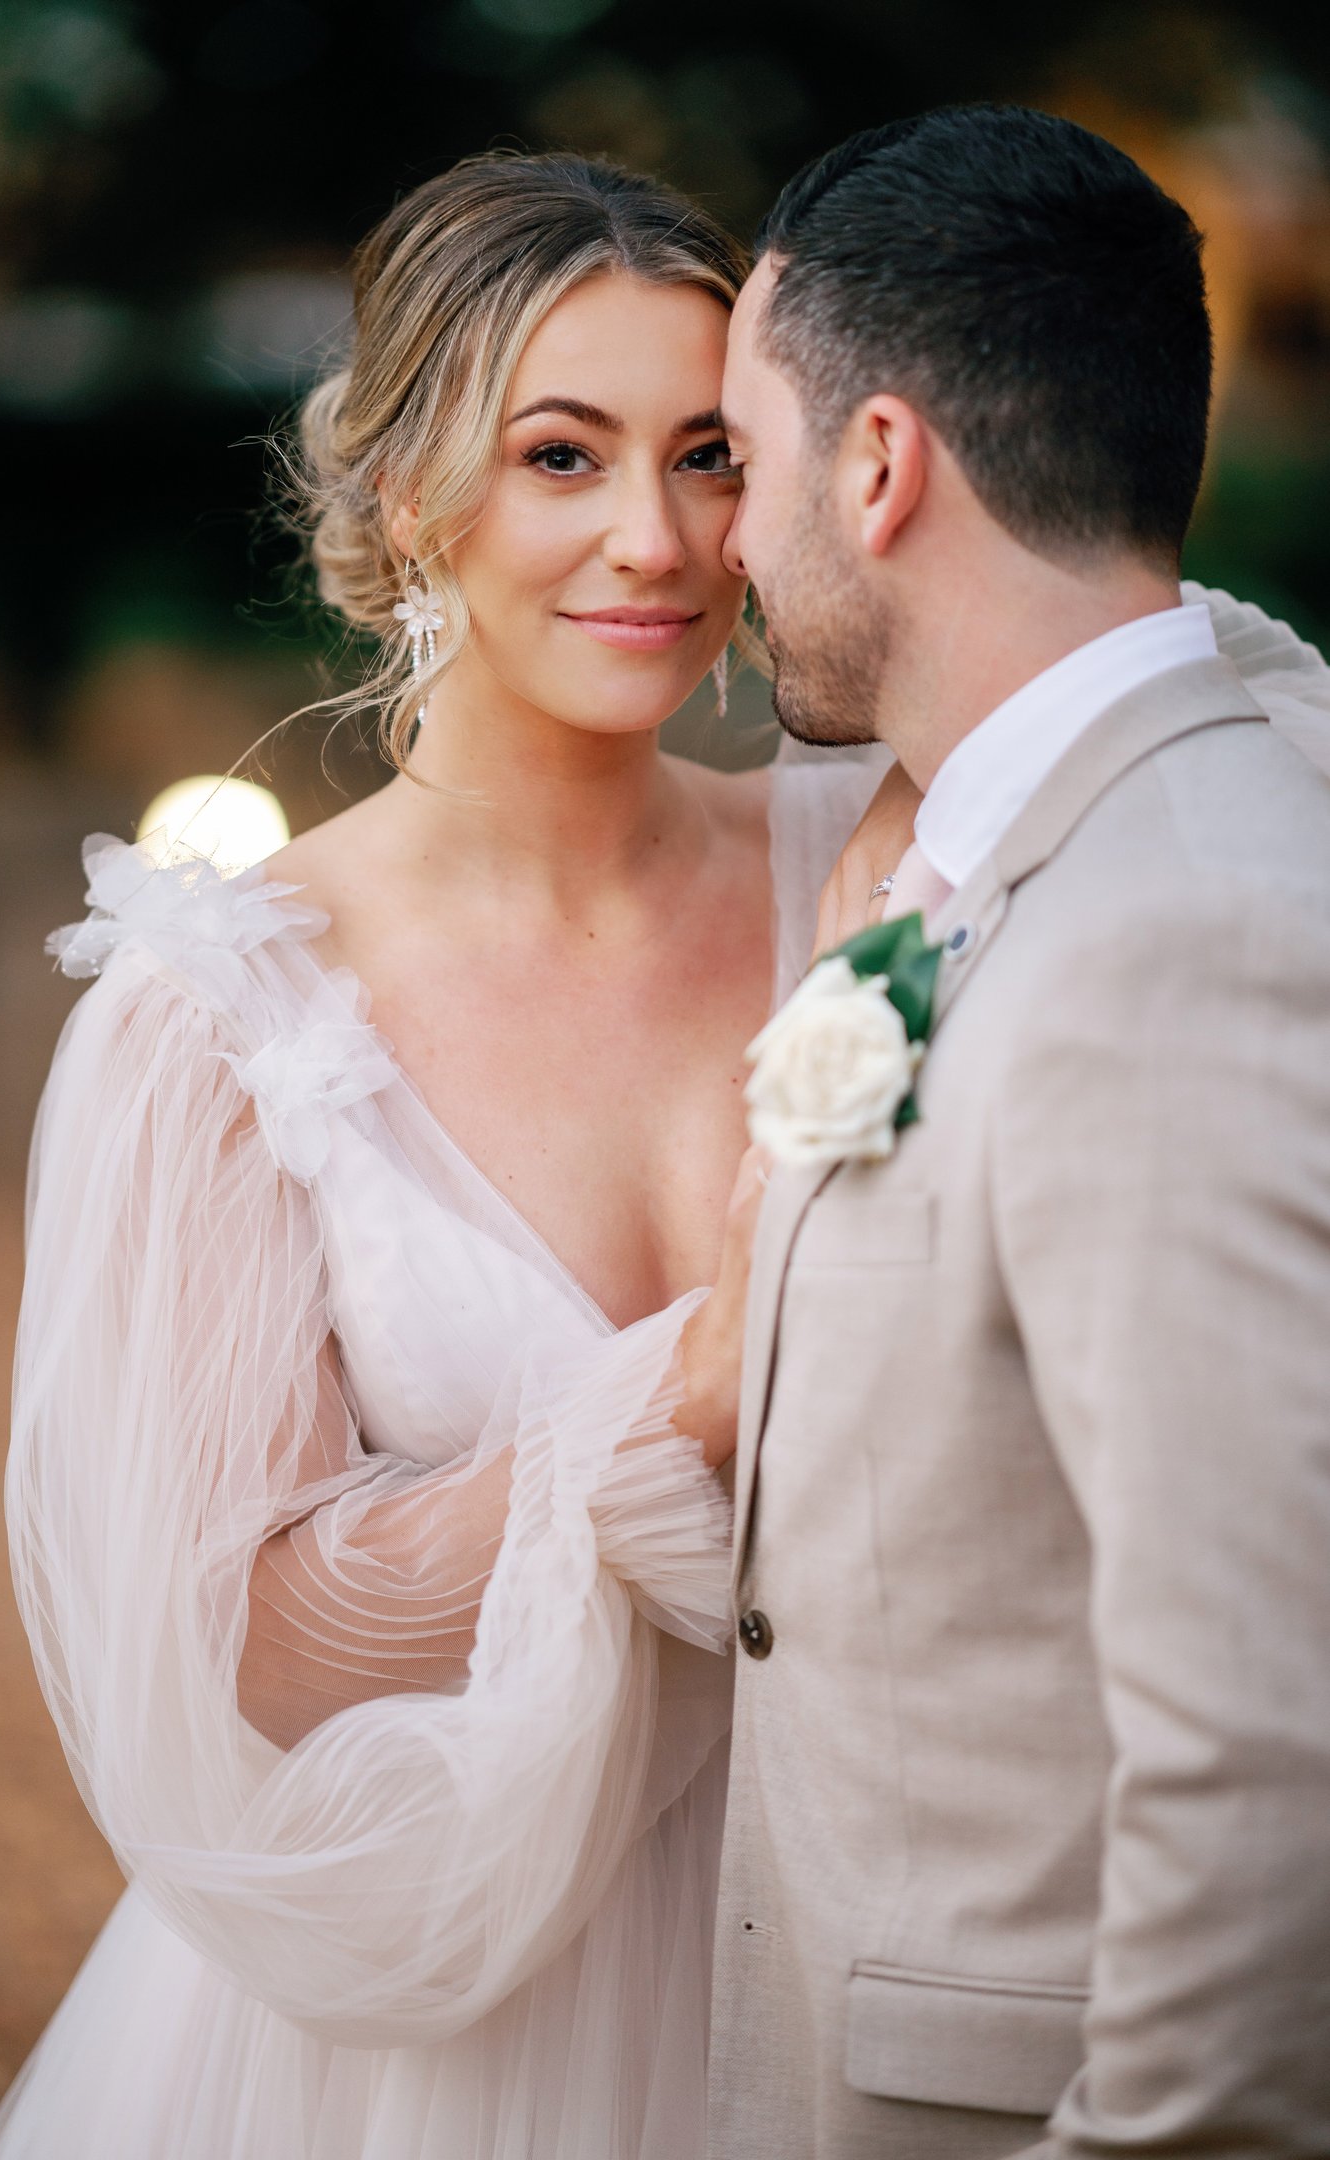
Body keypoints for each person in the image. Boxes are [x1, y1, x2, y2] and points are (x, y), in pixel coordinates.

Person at [0, 141, 1325, 2160]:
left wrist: (906, 806)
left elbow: (1172, 678)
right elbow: (224, 1646)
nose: (657, 542)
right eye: (558, 457)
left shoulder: (898, 854)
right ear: (411, 492)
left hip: (888, 1950)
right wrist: (675, 1405)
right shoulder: (218, 1014)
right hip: (453, 2028)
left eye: (711, 453)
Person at [708, 105, 1330, 2160]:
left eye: (746, 459)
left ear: (875, 466)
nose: (720, 542)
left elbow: (1269, 1743)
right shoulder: (995, 862)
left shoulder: (1180, 937)